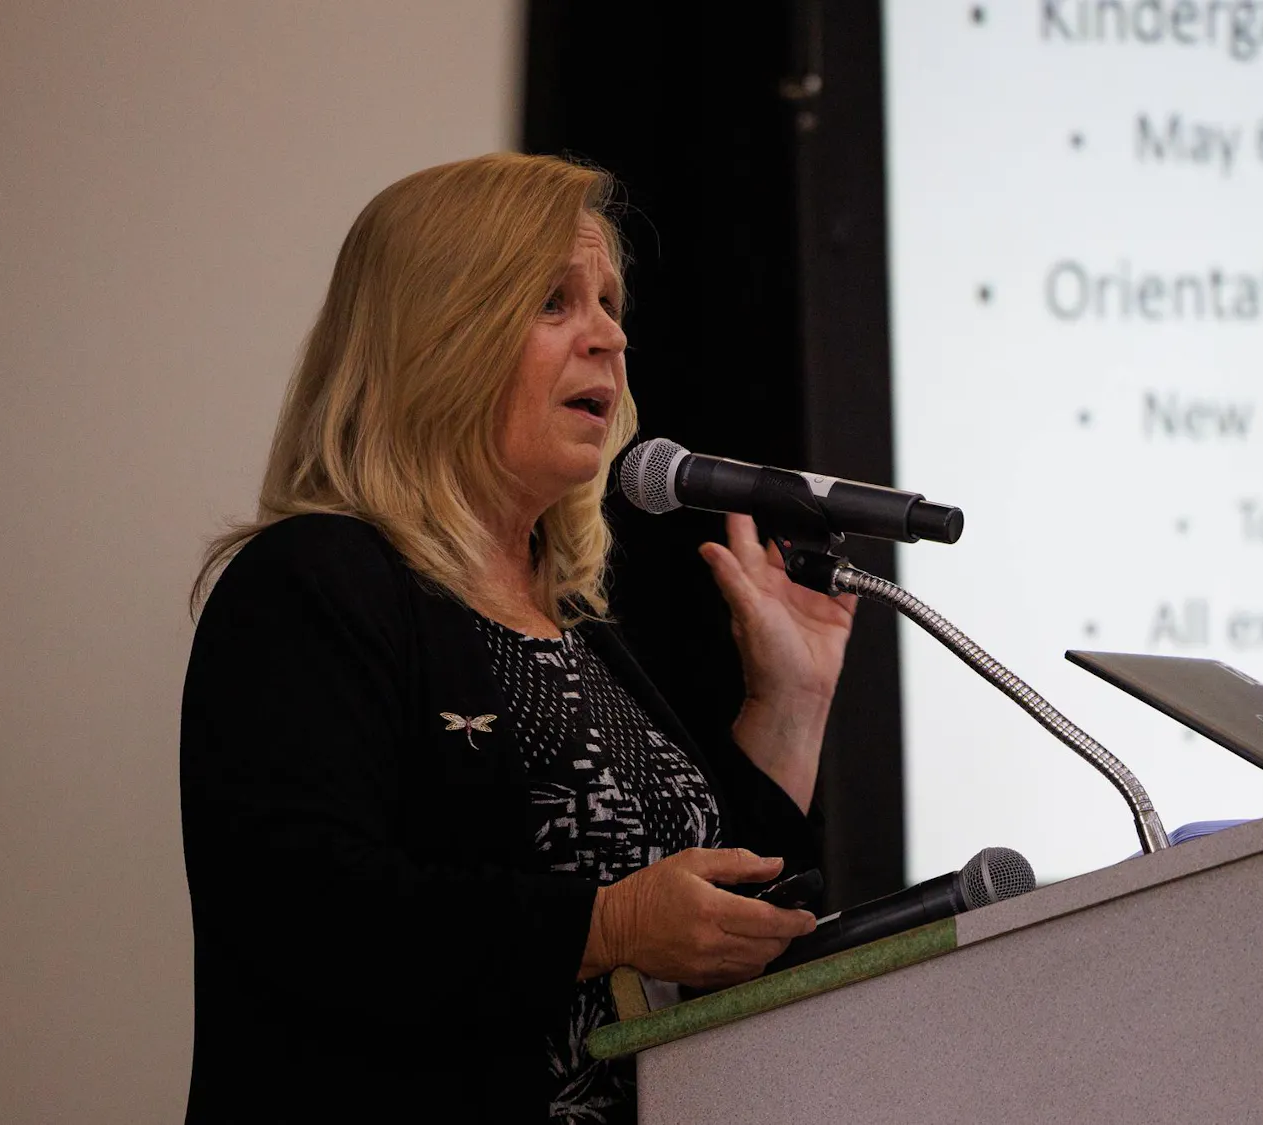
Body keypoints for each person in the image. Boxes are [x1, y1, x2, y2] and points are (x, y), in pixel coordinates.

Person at [179, 152, 855, 1122]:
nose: (611, 337)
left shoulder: (578, 633)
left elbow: (704, 936)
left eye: (612, 302)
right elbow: (308, 914)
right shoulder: (310, 585)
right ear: (436, 336)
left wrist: (790, 704)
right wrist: (609, 923)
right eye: (553, 301)